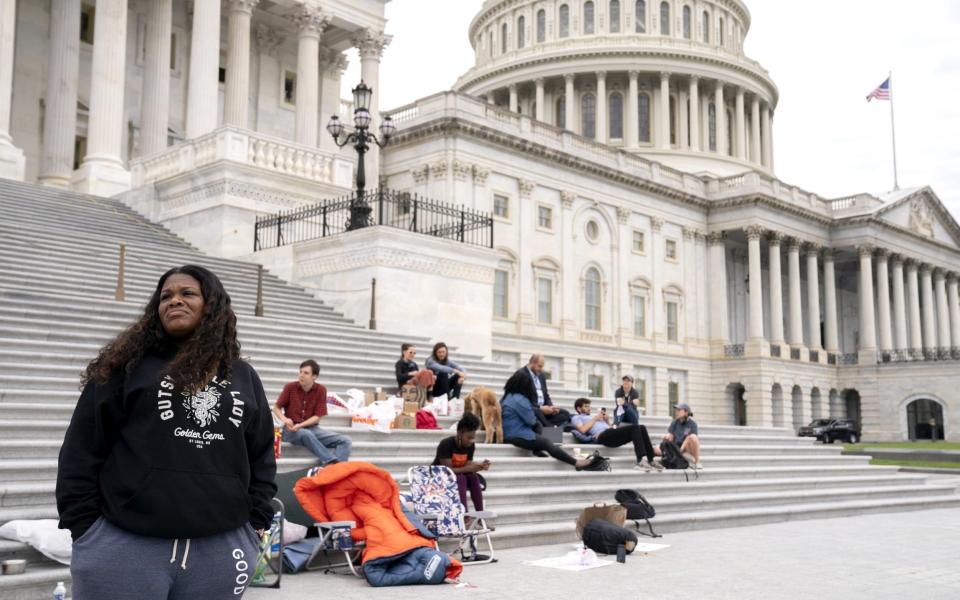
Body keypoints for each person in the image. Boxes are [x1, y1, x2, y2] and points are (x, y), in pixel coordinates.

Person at [56, 265, 276, 599]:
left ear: (212, 305)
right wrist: (87, 530)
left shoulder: (244, 376)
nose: (174, 301)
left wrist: (253, 524)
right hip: (125, 545)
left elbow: (260, 453)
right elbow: (81, 451)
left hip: (220, 548)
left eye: (187, 293)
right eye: (166, 296)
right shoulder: (125, 368)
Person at [501, 371, 597, 470]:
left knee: (546, 424)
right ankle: (576, 462)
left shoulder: (507, 396)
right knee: (547, 441)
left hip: (509, 432)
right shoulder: (520, 400)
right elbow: (530, 421)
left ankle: (539, 447)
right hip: (516, 434)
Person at [273, 360, 352, 466]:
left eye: (306, 373)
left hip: (312, 429)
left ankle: (339, 471)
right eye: (300, 372)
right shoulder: (290, 387)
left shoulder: (321, 390)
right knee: (306, 433)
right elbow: (276, 407)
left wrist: (300, 425)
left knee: (345, 440)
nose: (301, 375)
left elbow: (317, 417)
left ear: (314, 376)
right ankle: (331, 462)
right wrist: (285, 420)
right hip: (290, 430)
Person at [570, 398, 663, 471]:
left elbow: (611, 427)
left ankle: (650, 460)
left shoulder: (593, 417)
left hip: (611, 434)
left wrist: (607, 421)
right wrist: (595, 418)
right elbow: (582, 430)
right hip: (602, 436)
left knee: (641, 427)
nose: (589, 408)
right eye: (586, 406)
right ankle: (640, 461)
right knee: (635, 427)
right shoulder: (576, 417)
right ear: (578, 408)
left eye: (589, 406)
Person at [433, 413, 489, 511]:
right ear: (460, 433)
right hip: (439, 477)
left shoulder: (470, 446)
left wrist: (479, 466)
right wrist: (468, 468)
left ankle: (480, 517)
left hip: (458, 477)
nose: (471, 441)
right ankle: (464, 517)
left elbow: (467, 464)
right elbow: (447, 471)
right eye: (469, 437)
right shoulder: (446, 444)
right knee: (461, 478)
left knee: (472, 476)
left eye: (473, 438)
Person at [513, 354, 571, 428]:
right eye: (539, 366)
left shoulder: (541, 375)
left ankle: (544, 424)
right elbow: (521, 400)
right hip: (532, 409)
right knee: (536, 411)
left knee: (565, 414)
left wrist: (551, 407)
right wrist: (540, 408)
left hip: (544, 411)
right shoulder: (521, 374)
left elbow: (546, 395)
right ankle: (549, 426)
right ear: (532, 363)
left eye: (542, 366)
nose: (541, 369)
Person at [657, 402, 702, 469]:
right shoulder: (674, 422)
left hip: (686, 448)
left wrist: (681, 449)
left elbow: (689, 439)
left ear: (686, 412)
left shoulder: (692, 424)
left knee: (693, 437)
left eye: (679, 410)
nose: (677, 412)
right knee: (656, 449)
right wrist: (666, 437)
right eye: (676, 410)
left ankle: (697, 462)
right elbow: (671, 437)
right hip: (676, 448)